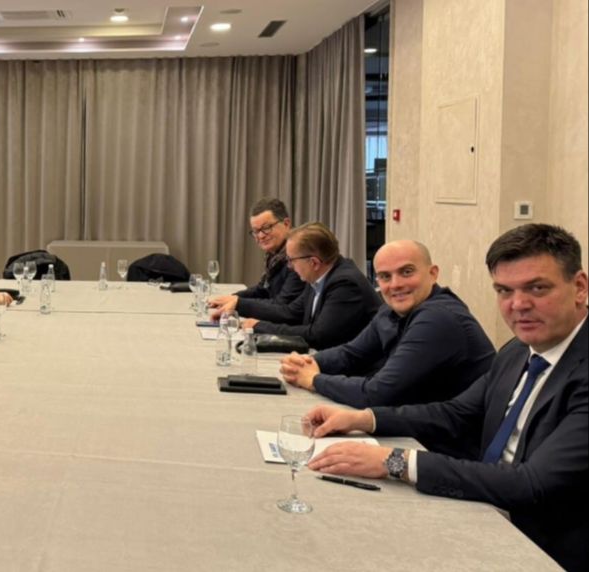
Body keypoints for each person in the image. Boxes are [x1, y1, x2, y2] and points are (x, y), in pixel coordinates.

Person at [305, 224, 587, 571]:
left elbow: (532, 484)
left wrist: (395, 462)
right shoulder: (518, 350)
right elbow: (455, 413)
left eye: (537, 288)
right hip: (483, 507)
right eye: (504, 290)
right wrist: (365, 419)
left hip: (546, 546)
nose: (518, 305)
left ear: (579, 287)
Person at [279, 240, 495, 413]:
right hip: (414, 424)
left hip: (451, 443)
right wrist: (308, 362)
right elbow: (351, 354)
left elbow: (377, 394)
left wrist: (314, 379)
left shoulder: (437, 318)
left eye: (407, 272)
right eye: (385, 276)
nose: (395, 284)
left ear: (433, 273)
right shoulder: (392, 309)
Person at [245, 222, 381, 350]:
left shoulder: (345, 285)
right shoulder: (318, 277)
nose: (289, 266)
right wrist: (249, 315)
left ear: (314, 263)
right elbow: (291, 313)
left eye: (291, 260)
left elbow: (318, 336)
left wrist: (260, 327)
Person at [209, 198, 305, 321]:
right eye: (256, 231)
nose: (260, 235)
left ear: (286, 224)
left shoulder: (299, 256)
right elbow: (262, 290)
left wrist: (238, 304)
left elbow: (282, 305)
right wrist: (232, 298)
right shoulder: (274, 255)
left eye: (266, 228)